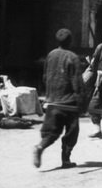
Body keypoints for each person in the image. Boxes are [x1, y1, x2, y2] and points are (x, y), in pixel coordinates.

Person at [33, 29, 83, 169]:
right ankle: (66, 160)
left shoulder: (50, 55)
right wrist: (81, 103)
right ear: (70, 41)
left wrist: (49, 95)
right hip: (69, 103)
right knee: (71, 132)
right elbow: (77, 83)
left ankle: (40, 147)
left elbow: (44, 77)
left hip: (52, 101)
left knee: (51, 132)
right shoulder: (72, 57)